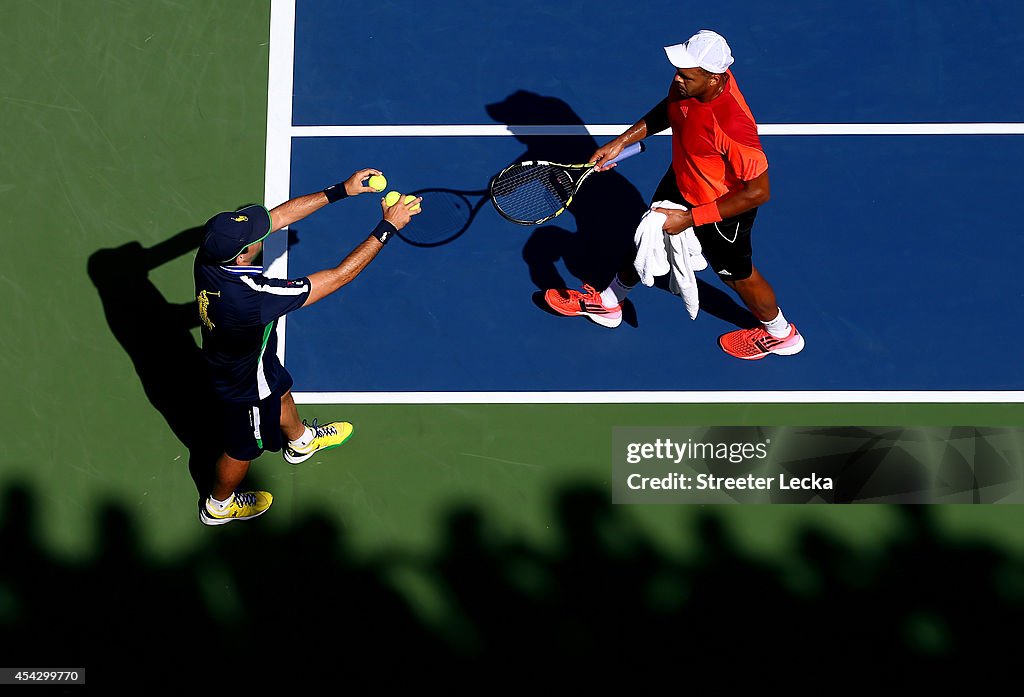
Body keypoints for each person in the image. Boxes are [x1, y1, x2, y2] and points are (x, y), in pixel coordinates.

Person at [543, 29, 804, 360]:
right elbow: (670, 109)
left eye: (686, 74)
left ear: (713, 78)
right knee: (646, 235)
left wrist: (690, 218)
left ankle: (781, 334)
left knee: (738, 277)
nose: (677, 78)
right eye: (678, 71)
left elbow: (758, 192)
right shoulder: (691, 86)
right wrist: (620, 141)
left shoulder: (733, 127)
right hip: (683, 180)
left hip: (722, 207)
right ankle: (609, 303)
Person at [193, 169, 421, 525]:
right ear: (242, 256)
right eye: (255, 238)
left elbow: (279, 217)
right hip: (244, 387)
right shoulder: (250, 299)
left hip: (250, 361)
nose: (263, 232)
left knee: (281, 390)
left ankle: (300, 441)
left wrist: (341, 191)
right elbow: (340, 275)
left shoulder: (210, 255)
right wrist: (387, 227)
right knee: (241, 450)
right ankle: (218, 506)